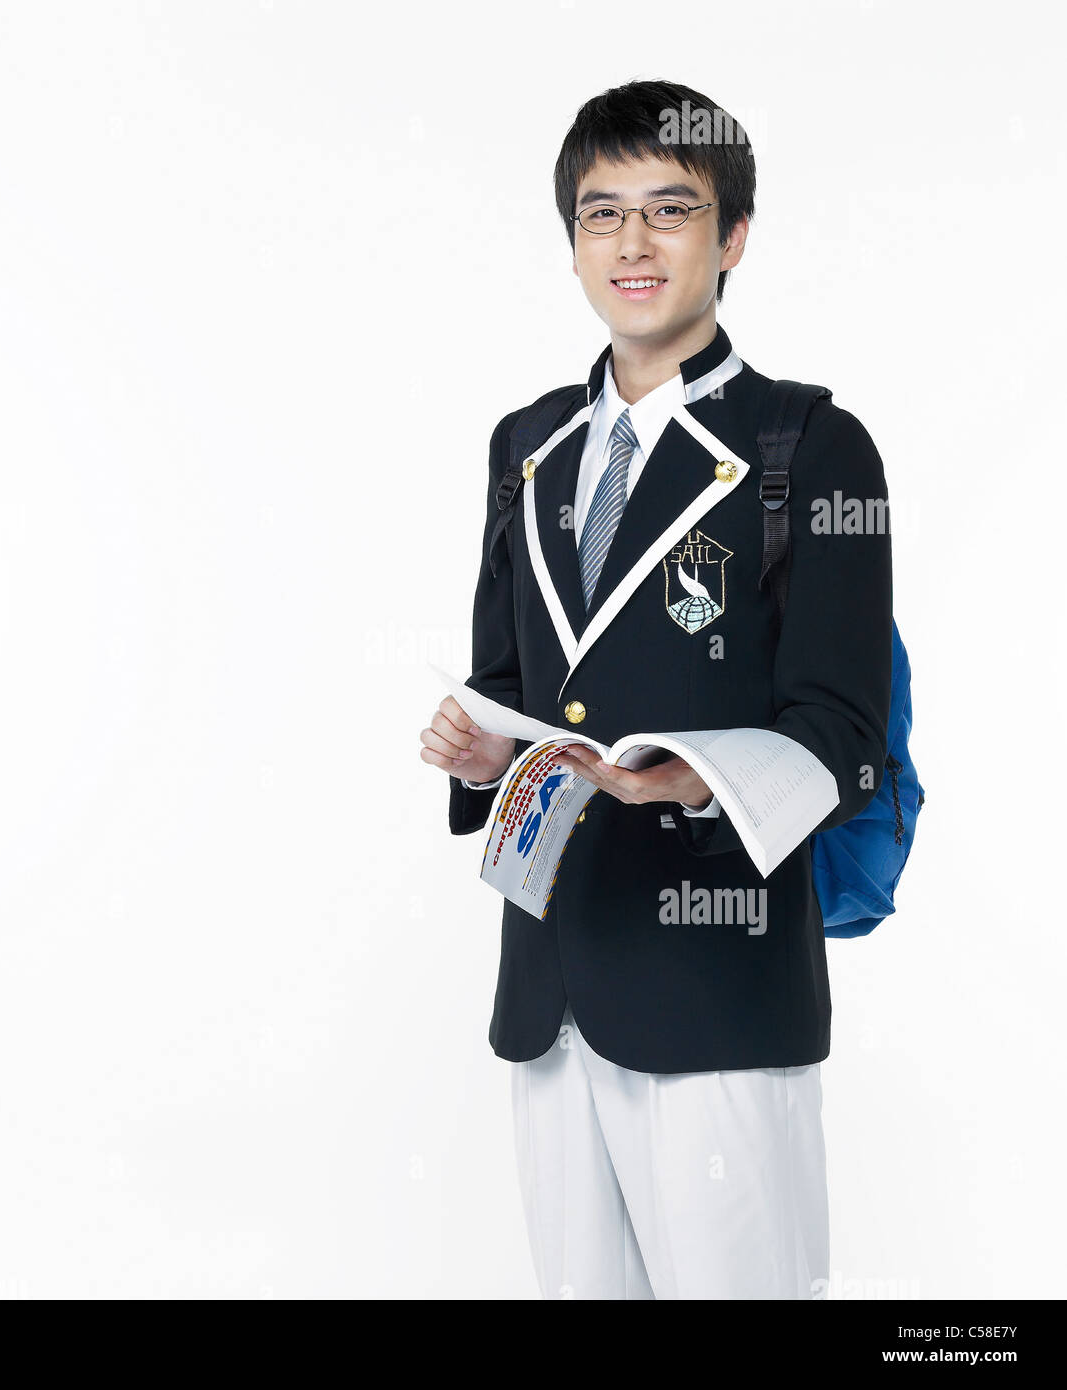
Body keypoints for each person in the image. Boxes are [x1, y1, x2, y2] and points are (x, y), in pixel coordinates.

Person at [419, 78, 893, 1299]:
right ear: (571, 240)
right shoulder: (525, 445)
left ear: (730, 237)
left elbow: (844, 737)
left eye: (668, 210)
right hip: (550, 981)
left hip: (719, 992)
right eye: (599, 213)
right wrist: (479, 749)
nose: (630, 244)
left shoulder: (808, 447)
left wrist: (691, 776)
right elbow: (514, 679)